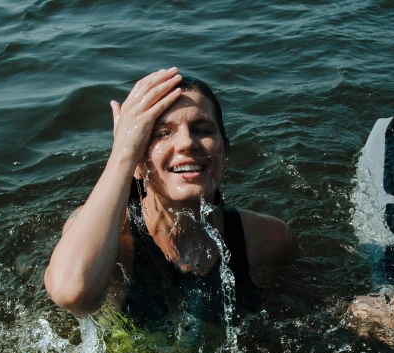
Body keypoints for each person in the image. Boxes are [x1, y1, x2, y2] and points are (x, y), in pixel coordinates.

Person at [44, 69, 300, 333]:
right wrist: (123, 154)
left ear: (225, 153)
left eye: (202, 129)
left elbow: (304, 315)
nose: (187, 142)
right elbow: (71, 293)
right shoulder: (109, 238)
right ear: (138, 162)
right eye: (162, 133)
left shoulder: (267, 238)